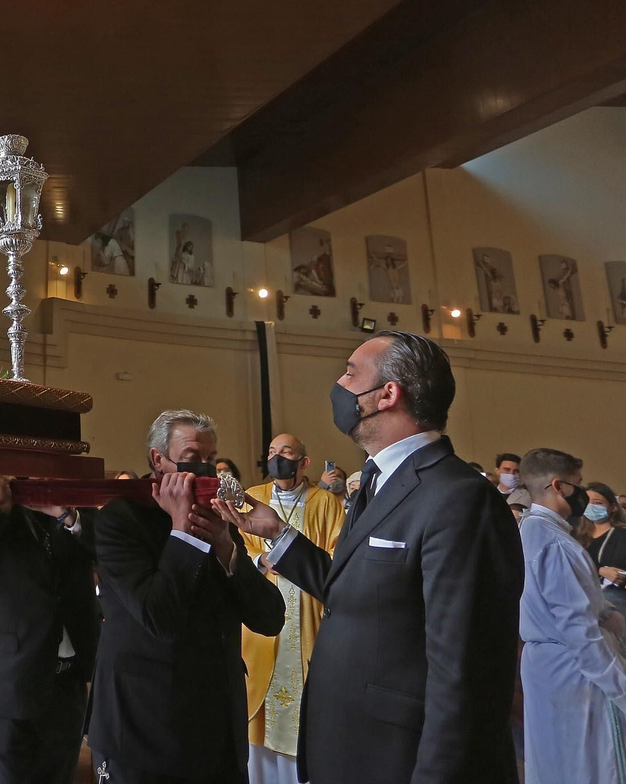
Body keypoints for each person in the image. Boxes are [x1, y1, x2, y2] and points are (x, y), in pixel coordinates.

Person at [216, 331, 523, 784]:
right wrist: (277, 533)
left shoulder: (459, 498)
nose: (339, 384)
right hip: (352, 743)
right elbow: (354, 589)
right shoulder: (378, 483)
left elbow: (465, 672)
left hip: (400, 754)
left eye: (350, 373)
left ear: (387, 394)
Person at [89, 410, 283, 783]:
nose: (204, 469)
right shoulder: (121, 519)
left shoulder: (216, 515)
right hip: (145, 727)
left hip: (218, 728)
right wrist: (183, 533)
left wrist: (226, 547)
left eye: (210, 459)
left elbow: (269, 617)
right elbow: (158, 617)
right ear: (157, 459)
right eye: (192, 457)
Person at [0, 476, 97, 784]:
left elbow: (107, 554)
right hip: (4, 683)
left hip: (67, 683)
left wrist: (67, 515)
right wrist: (0, 509)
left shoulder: (71, 497)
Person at [240, 433, 346, 784]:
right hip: (260, 621)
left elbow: (336, 558)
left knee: (304, 714)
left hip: (307, 617)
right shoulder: (252, 498)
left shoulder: (324, 502)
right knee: (257, 724)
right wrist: (259, 559)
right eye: (271, 451)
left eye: (285, 452)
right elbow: (237, 549)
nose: (277, 457)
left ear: (304, 462)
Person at [516, 447, 626, 783]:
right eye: (578, 484)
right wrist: (622, 689)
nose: (584, 495)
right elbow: (583, 635)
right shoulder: (556, 545)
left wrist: (606, 612)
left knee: (553, 762)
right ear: (558, 486)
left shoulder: (528, 531)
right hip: (573, 673)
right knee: (587, 765)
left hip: (546, 664)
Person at [583, 482, 626, 613]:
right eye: (587, 502)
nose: (591, 506)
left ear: (613, 507)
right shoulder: (578, 534)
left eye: (597, 503)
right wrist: (600, 570)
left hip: (610, 597)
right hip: (582, 594)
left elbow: (617, 568)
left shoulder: (620, 534)